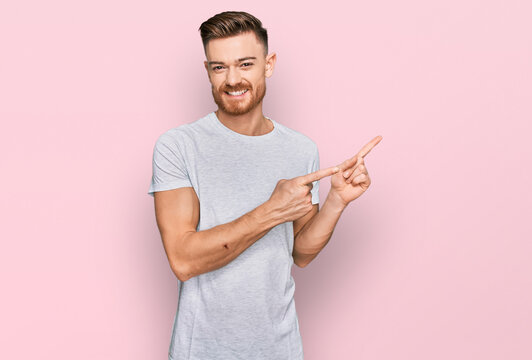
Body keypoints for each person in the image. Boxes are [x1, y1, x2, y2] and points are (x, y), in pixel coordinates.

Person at [148, 10, 382, 360]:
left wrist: (337, 201)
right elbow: (183, 260)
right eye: (219, 67)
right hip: (202, 351)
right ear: (208, 71)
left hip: (280, 348)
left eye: (245, 64)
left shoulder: (300, 149)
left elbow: (299, 253)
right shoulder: (178, 146)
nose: (232, 79)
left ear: (268, 64)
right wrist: (271, 212)